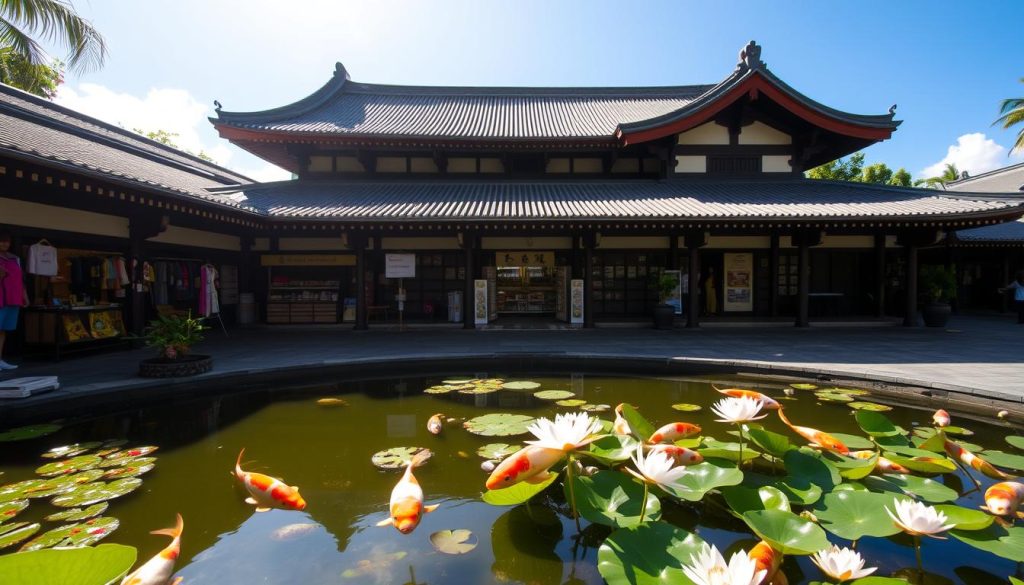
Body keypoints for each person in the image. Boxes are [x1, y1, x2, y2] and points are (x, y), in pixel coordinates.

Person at [0, 232, 29, 370]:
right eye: (2, 241)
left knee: (3, 330)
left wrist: (24, 296)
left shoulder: (14, 258)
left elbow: (20, 280)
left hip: (12, 298)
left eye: (7, 241)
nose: (5, 244)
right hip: (1, 297)